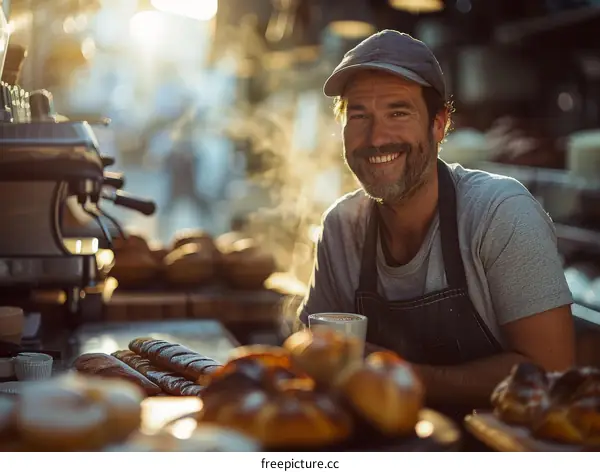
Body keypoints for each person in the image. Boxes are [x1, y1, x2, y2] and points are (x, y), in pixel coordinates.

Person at [297, 30, 575, 413]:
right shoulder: (340, 227)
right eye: (359, 115)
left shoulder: (499, 214)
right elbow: (312, 353)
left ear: (439, 125)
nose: (376, 137)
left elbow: (552, 372)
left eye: (398, 112)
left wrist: (400, 375)